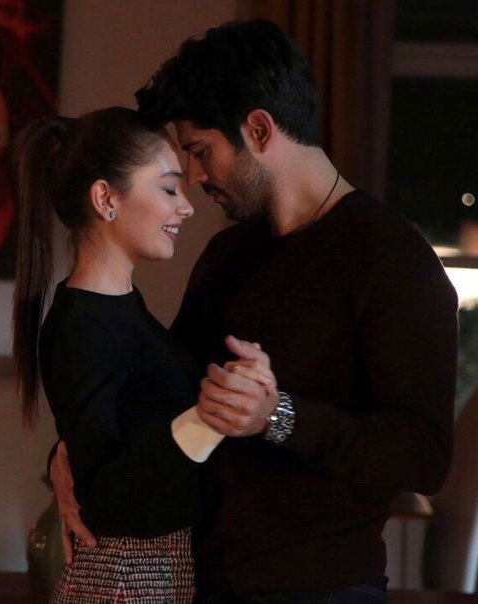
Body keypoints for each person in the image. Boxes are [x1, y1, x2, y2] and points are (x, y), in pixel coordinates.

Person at [51, 19, 459, 603]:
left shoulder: (393, 259)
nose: (194, 178)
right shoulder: (228, 254)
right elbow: (155, 396)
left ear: (259, 130)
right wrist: (71, 453)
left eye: (200, 151)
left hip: (319, 590)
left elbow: (424, 456)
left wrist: (278, 415)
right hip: (200, 582)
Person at [13, 106, 278, 603]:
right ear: (105, 198)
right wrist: (212, 417)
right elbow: (107, 500)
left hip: (157, 576)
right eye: (169, 189)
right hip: (125, 582)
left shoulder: (120, 309)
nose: (186, 207)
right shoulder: (82, 325)